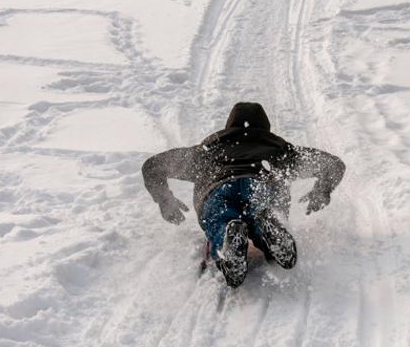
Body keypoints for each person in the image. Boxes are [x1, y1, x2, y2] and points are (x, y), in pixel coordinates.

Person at [142, 102, 345, 287]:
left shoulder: (207, 151)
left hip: (217, 188)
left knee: (219, 218)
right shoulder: (277, 149)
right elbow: (333, 165)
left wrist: (165, 200)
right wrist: (321, 191)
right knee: (262, 209)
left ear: (229, 127)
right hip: (261, 183)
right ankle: (269, 226)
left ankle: (227, 237)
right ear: (265, 128)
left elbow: (152, 166)